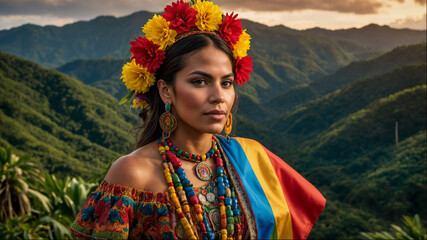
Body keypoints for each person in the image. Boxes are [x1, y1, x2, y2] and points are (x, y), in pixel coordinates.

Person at [71, 0, 326, 239]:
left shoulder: (252, 158)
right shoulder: (132, 173)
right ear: (165, 90)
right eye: (200, 81)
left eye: (226, 83)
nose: (218, 97)